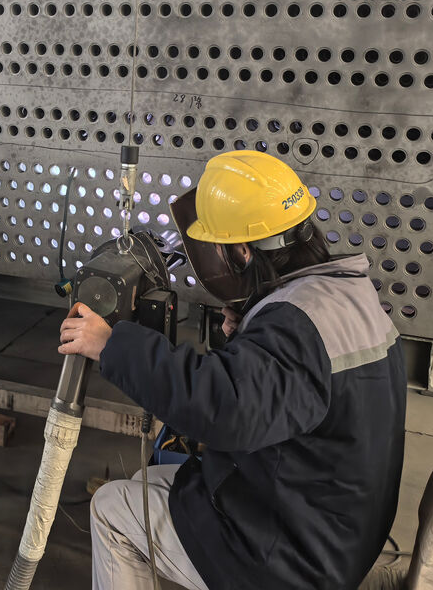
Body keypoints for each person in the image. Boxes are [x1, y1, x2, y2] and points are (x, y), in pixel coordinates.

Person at [59, 151, 407, 590]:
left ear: (242, 251)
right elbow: (291, 390)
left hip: (293, 560)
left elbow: (221, 409)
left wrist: (112, 345)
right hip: (330, 523)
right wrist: (249, 336)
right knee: (154, 480)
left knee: (113, 510)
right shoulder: (344, 293)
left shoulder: (293, 329)